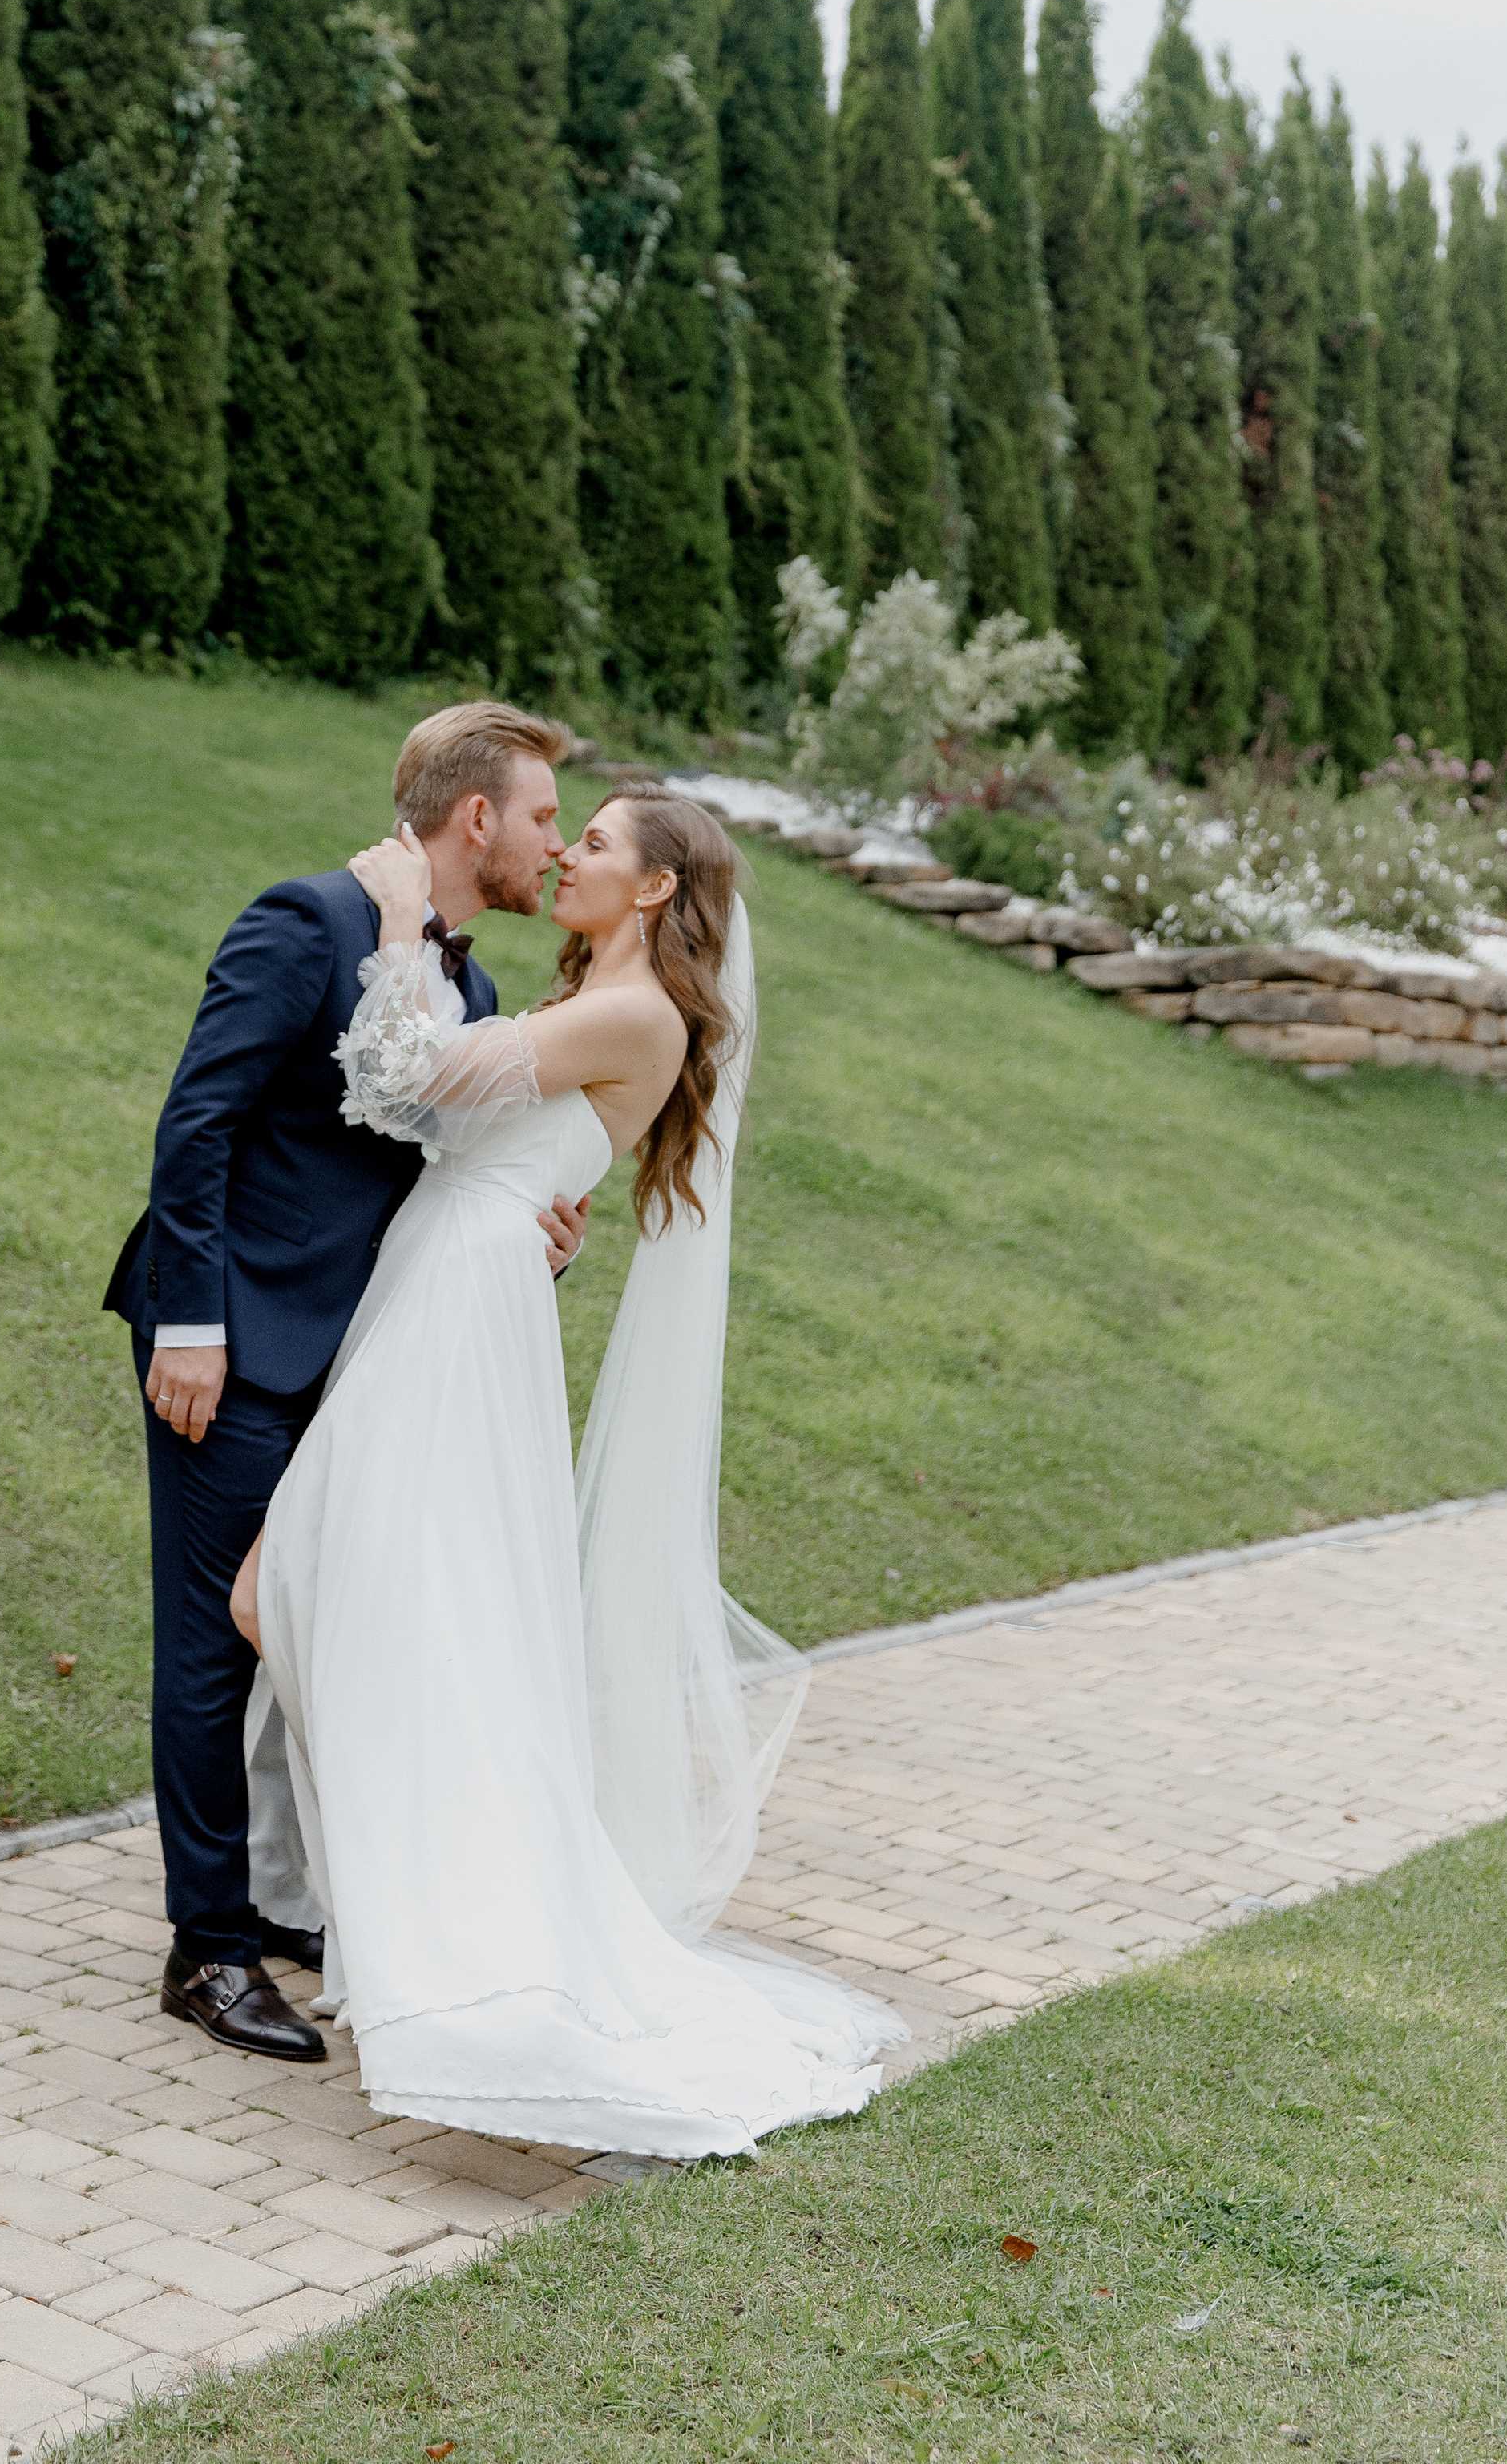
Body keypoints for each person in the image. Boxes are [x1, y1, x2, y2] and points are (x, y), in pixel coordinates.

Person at [228, 792, 904, 2156]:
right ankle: (376, 1893)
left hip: (457, 1316)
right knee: (304, 1595)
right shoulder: (596, 1008)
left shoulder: (636, 1013)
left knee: (298, 1594)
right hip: (443, 1289)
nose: (568, 857)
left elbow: (404, 1074)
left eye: (595, 844)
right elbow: (456, 1117)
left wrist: (407, 913)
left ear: (657, 890)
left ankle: (440, 1921)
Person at [103, 704, 590, 2062]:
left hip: (360, 1359)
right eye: (544, 816)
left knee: (312, 1626)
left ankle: (276, 1893)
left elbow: (438, 1175)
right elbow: (197, 1121)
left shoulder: (475, 995)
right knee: (213, 1641)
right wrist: (188, 1321)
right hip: (233, 1339)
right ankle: (207, 1950)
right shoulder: (305, 921)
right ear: (475, 817)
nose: (554, 844)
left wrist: (531, 1228)